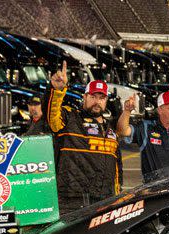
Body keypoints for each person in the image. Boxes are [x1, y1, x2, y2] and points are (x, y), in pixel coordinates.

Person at [44, 62, 122, 215]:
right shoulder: (69, 117)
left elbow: (117, 169)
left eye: (101, 98)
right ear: (84, 97)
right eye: (93, 96)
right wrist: (57, 90)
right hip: (71, 201)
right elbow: (52, 117)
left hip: (104, 201)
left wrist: (117, 197)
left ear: (106, 101)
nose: (97, 101)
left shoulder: (111, 130)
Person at [117, 90, 169, 182]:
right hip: (152, 192)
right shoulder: (146, 128)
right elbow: (122, 131)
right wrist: (127, 111)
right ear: (160, 110)